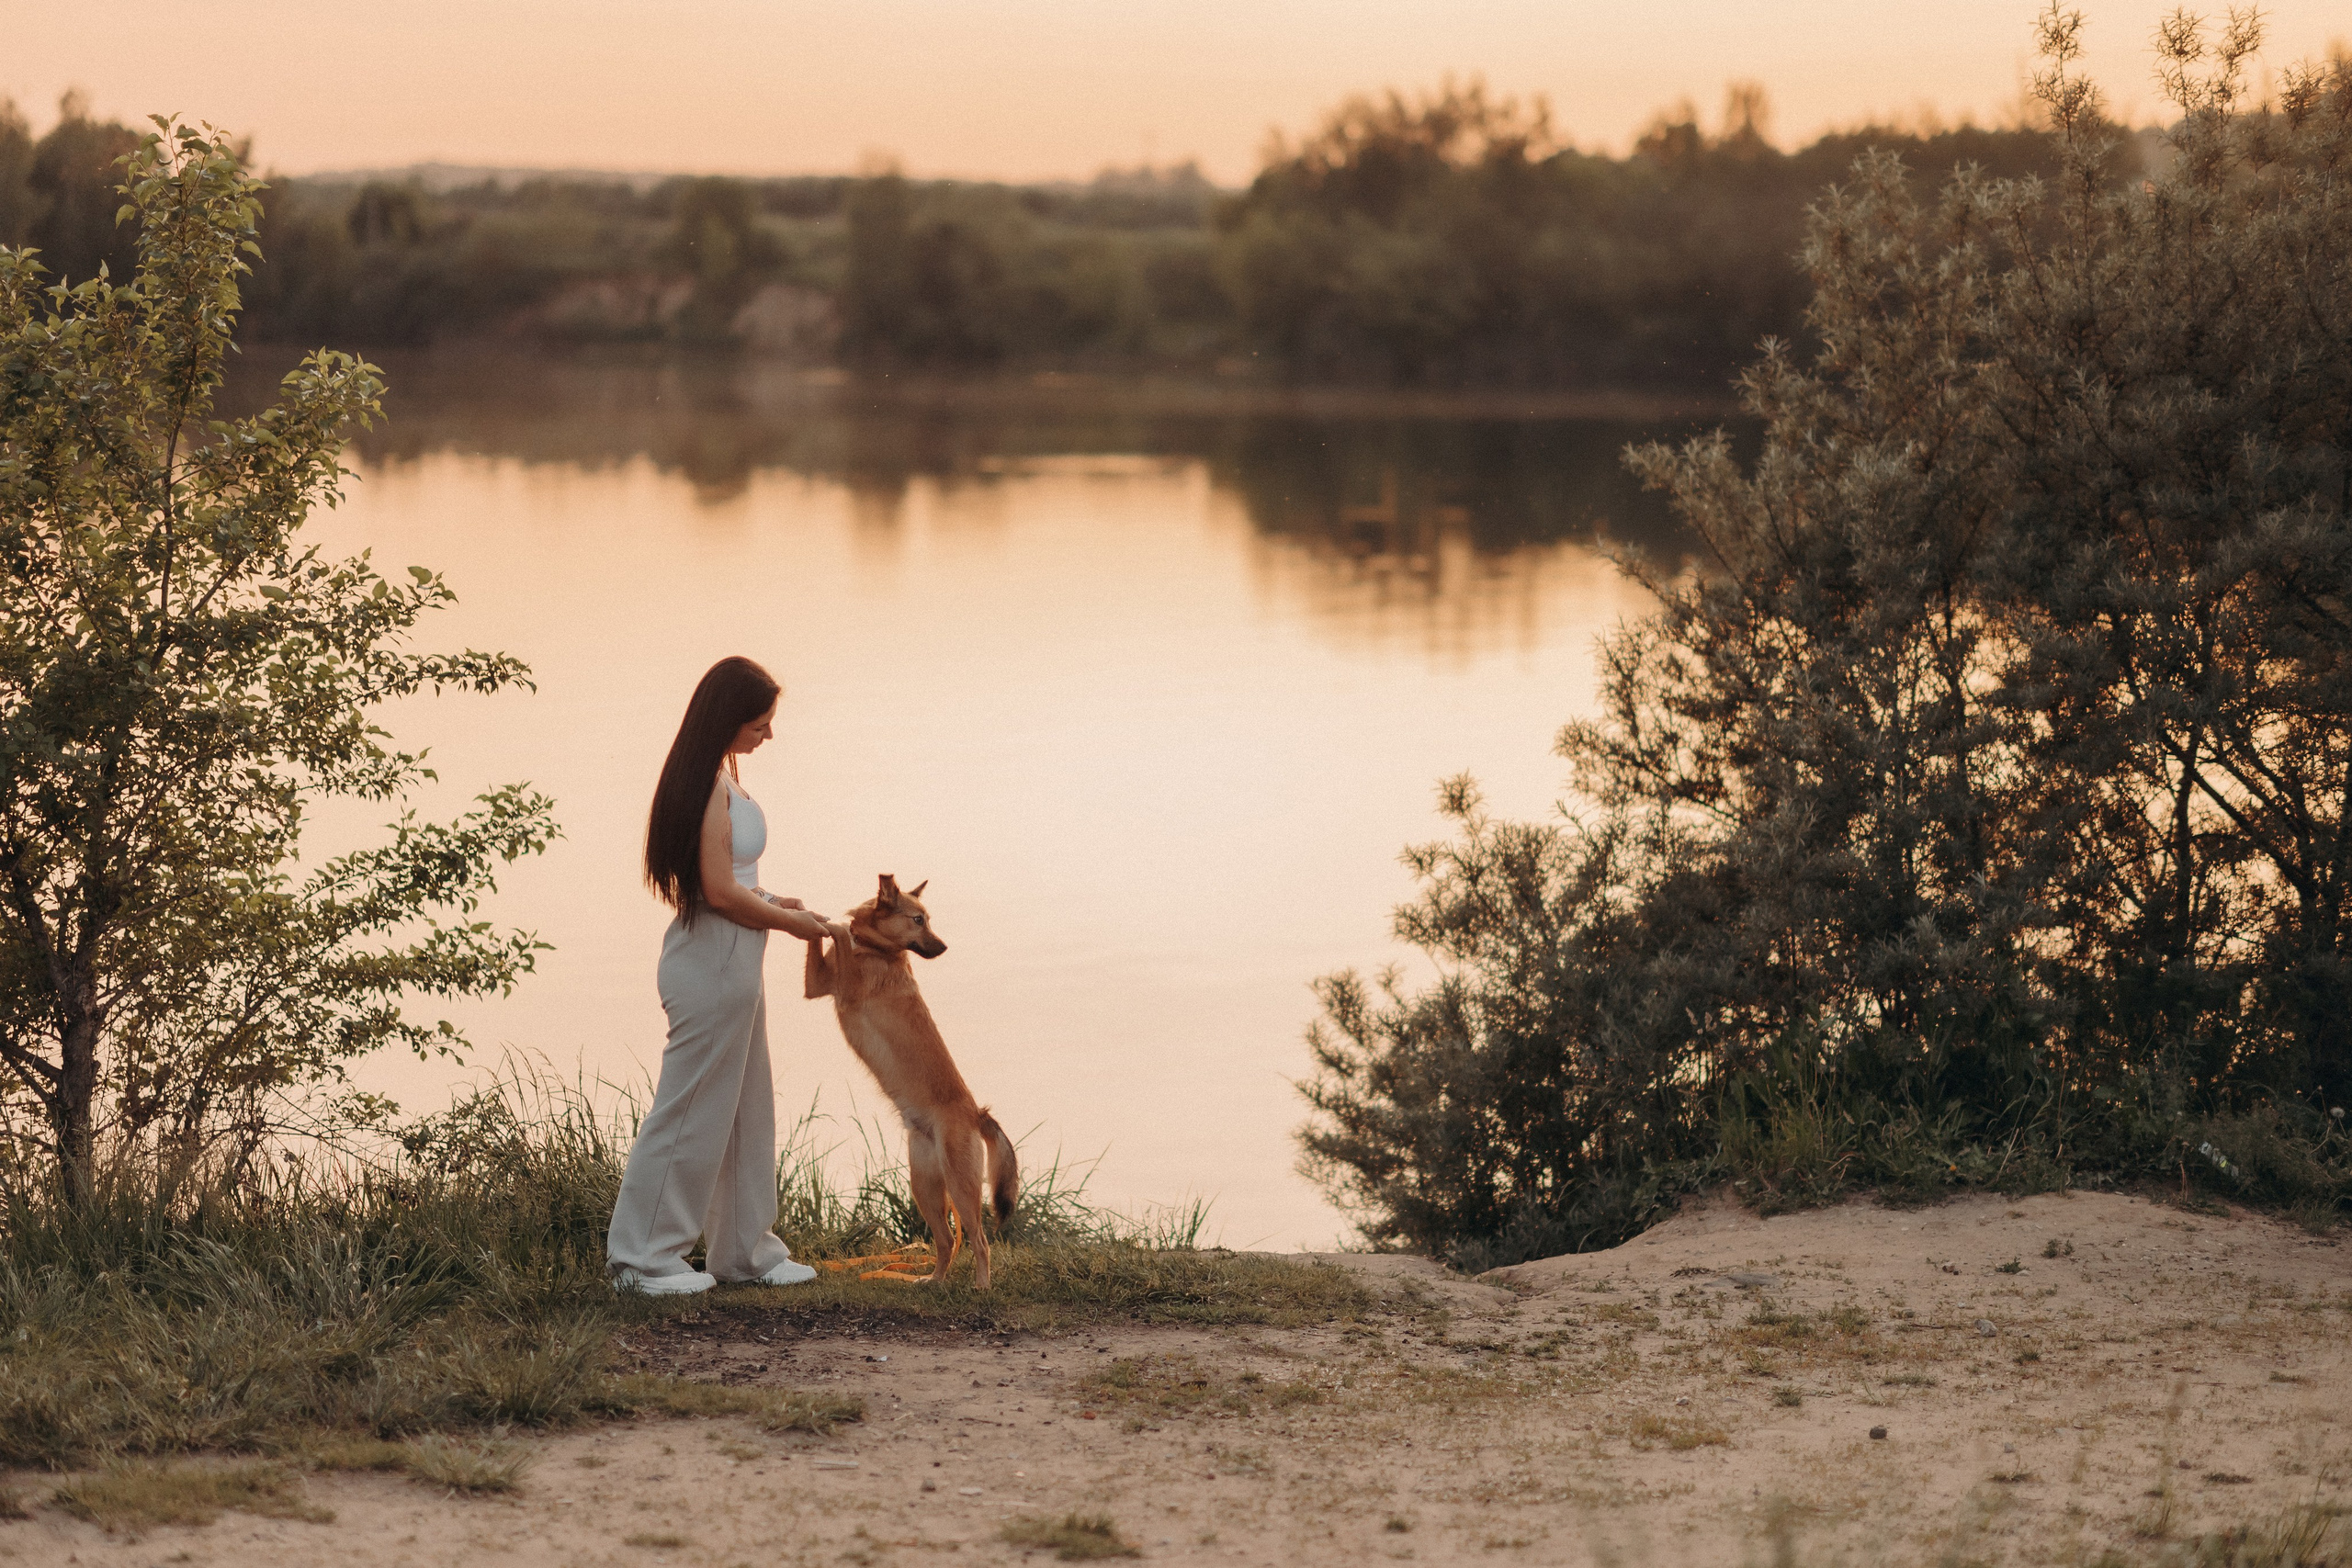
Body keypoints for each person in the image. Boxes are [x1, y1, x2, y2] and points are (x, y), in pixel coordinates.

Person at [606, 656, 850, 1294]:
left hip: (736, 958)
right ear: (729, 718)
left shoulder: (719, 774)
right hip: (711, 960)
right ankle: (640, 1261)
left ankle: (745, 1254)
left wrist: (774, 900)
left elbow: (733, 879)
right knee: (688, 1110)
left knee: (746, 1109)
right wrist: (789, 923)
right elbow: (716, 891)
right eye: (760, 723)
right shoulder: (707, 785)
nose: (768, 734)